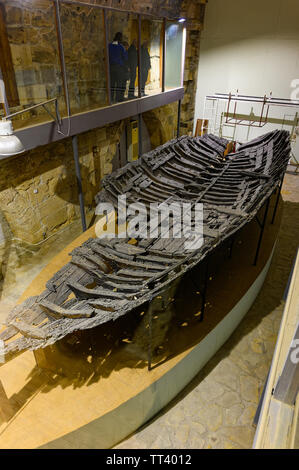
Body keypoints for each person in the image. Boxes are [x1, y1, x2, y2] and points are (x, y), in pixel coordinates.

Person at [108, 32, 128, 103]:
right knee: (119, 84)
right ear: (120, 38)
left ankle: (111, 99)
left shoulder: (109, 46)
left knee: (112, 84)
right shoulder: (121, 47)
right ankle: (117, 99)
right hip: (119, 68)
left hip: (111, 67)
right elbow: (125, 58)